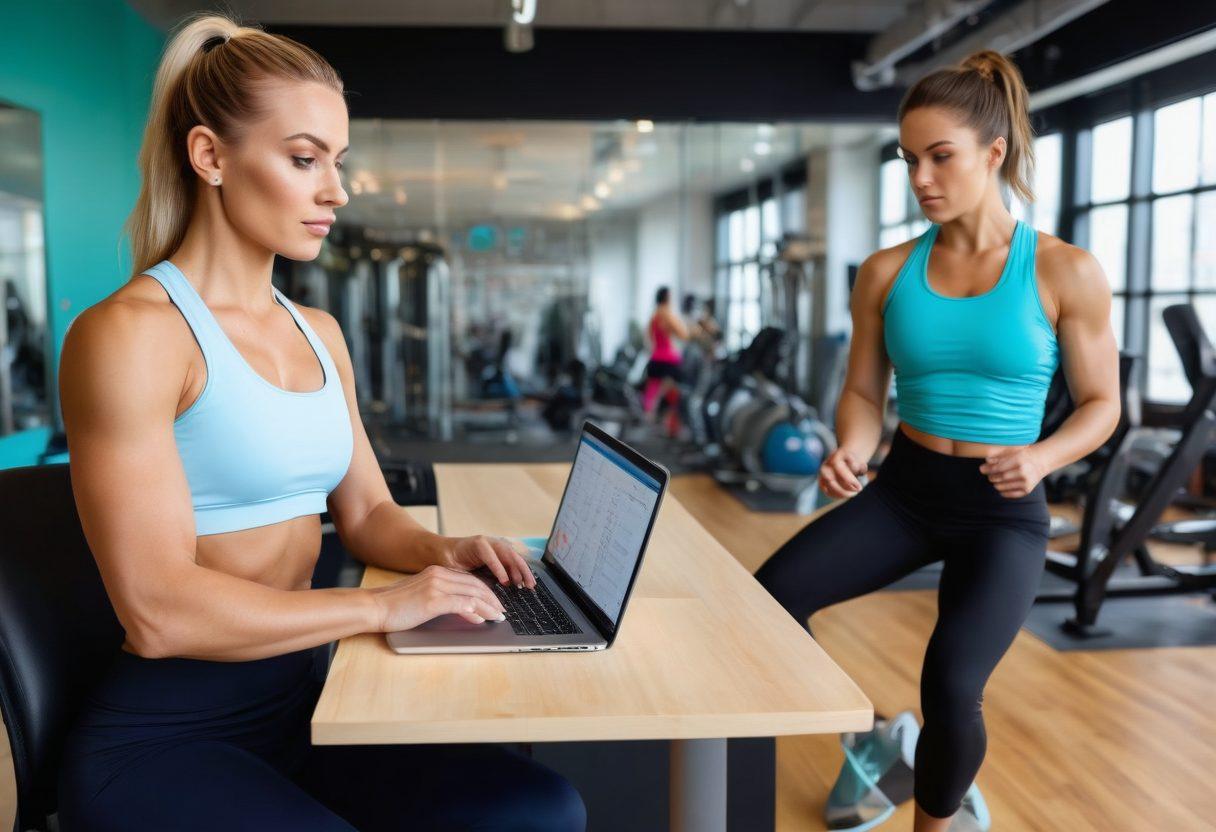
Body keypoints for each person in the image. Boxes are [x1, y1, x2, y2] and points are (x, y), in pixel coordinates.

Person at [55, 13, 585, 832]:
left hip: (304, 700)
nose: (335, 191)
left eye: (337, 163)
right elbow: (157, 612)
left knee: (541, 809)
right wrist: (380, 609)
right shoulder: (131, 335)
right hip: (168, 736)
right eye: (304, 160)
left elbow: (368, 515)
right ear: (210, 157)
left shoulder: (318, 332)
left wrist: (446, 553)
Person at [754, 50, 1119, 832]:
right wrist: (852, 446)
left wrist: (1045, 455)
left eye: (939, 157)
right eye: (908, 160)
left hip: (1002, 508)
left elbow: (1103, 405)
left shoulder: (1065, 270)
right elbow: (862, 390)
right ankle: (877, 741)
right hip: (906, 492)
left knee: (953, 686)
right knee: (771, 599)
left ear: (995, 154)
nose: (920, 177)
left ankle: (937, 822)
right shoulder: (885, 273)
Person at [641, 286, 688, 436]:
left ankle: (651, 421)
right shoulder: (667, 314)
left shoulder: (654, 315)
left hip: (655, 358)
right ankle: (670, 426)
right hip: (669, 359)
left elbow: (649, 338)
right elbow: (683, 334)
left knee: (652, 393)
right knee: (673, 393)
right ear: (668, 297)